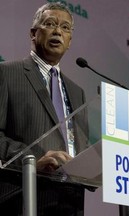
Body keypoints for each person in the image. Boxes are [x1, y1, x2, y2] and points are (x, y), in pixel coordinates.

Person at [0, 2, 89, 215]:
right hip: (23, 196)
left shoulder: (78, 93)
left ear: (69, 42)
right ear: (33, 33)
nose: (58, 31)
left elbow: (80, 148)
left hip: (70, 201)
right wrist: (30, 161)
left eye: (65, 27)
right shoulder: (7, 73)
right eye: (50, 24)